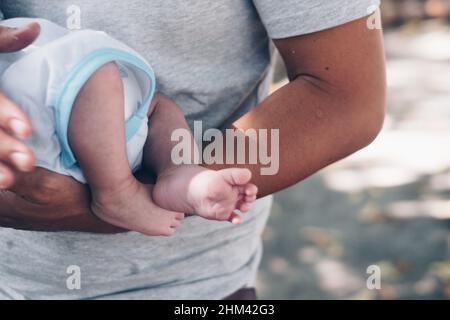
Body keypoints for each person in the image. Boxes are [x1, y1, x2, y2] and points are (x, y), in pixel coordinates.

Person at [0, 0, 386, 299]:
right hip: (63, 106)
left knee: (142, 102)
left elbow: (345, 100)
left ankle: (153, 181)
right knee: (145, 104)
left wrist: (98, 209)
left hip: (183, 286)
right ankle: (167, 178)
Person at [0, 18, 257, 236]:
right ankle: (116, 193)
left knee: (158, 106)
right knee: (97, 76)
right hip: (47, 118)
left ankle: (178, 172)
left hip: (104, 104)